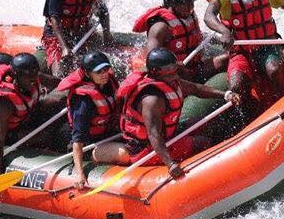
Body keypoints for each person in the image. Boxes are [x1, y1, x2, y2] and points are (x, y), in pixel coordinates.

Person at [93, 48, 240, 179]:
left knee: (203, 123)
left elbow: (196, 89)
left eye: (174, 70)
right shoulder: (151, 100)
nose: (174, 75)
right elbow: (153, 135)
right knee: (202, 142)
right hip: (147, 149)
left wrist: (225, 95)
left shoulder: (170, 80)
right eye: (169, 72)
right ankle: (214, 175)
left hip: (168, 134)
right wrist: (170, 164)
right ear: (156, 73)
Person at [0, 53, 61, 176]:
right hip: (11, 133)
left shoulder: (31, 75)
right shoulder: (5, 102)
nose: (33, 79)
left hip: (26, 116)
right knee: (46, 136)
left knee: (57, 102)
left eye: (35, 74)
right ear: (16, 75)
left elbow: (56, 82)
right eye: (29, 76)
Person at [133, 0, 227, 82]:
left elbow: (196, 37)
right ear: (173, 4)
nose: (190, 6)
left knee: (227, 58)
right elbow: (152, 60)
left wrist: (220, 38)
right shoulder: (160, 27)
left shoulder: (189, 15)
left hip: (195, 68)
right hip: (174, 76)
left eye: (191, 1)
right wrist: (175, 65)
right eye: (185, 3)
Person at [56, 51, 119, 189]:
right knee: (124, 154)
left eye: (106, 69)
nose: (104, 74)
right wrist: (80, 174)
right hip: (88, 144)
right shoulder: (83, 101)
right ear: (87, 73)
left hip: (108, 133)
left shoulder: (109, 82)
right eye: (98, 72)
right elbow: (77, 140)